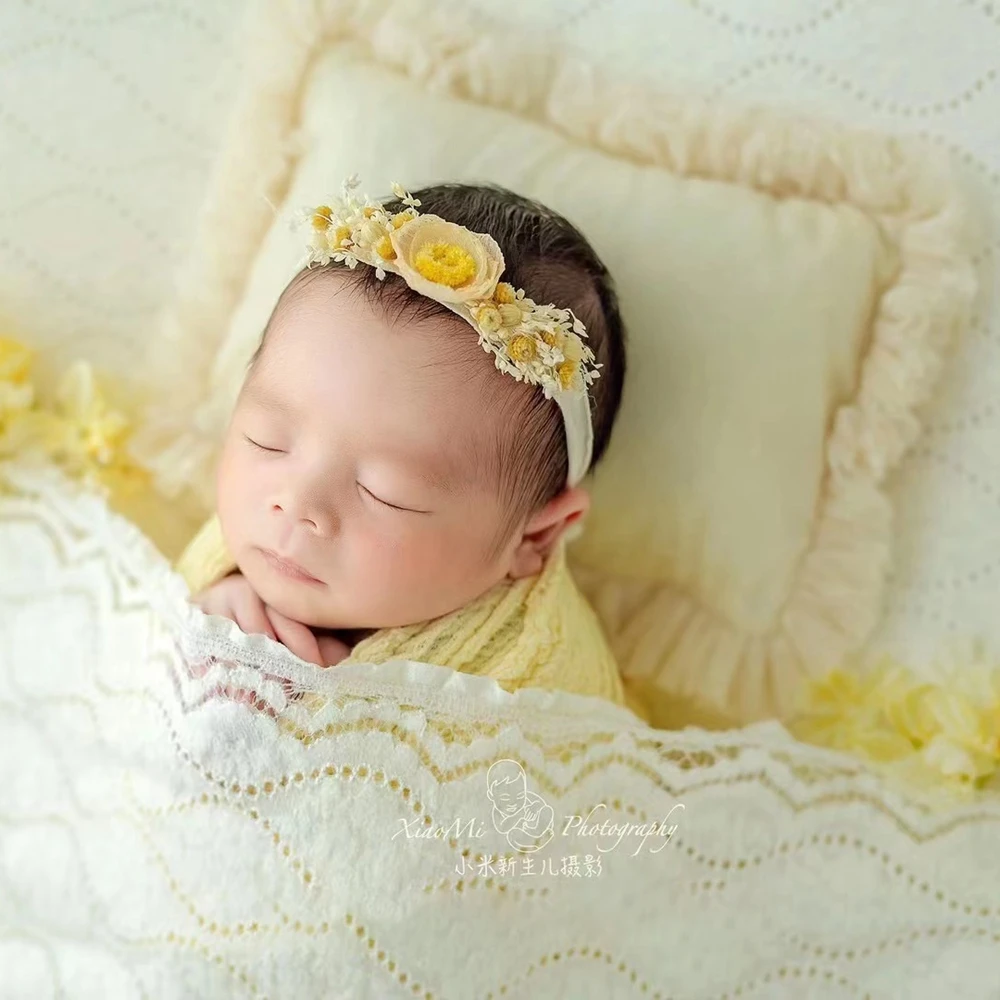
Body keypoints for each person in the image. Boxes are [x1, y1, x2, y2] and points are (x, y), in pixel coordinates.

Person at [176, 175, 638, 713]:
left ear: (535, 537)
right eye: (268, 441)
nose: (297, 502)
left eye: (386, 492)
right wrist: (197, 626)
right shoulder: (248, 542)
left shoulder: (533, 693)